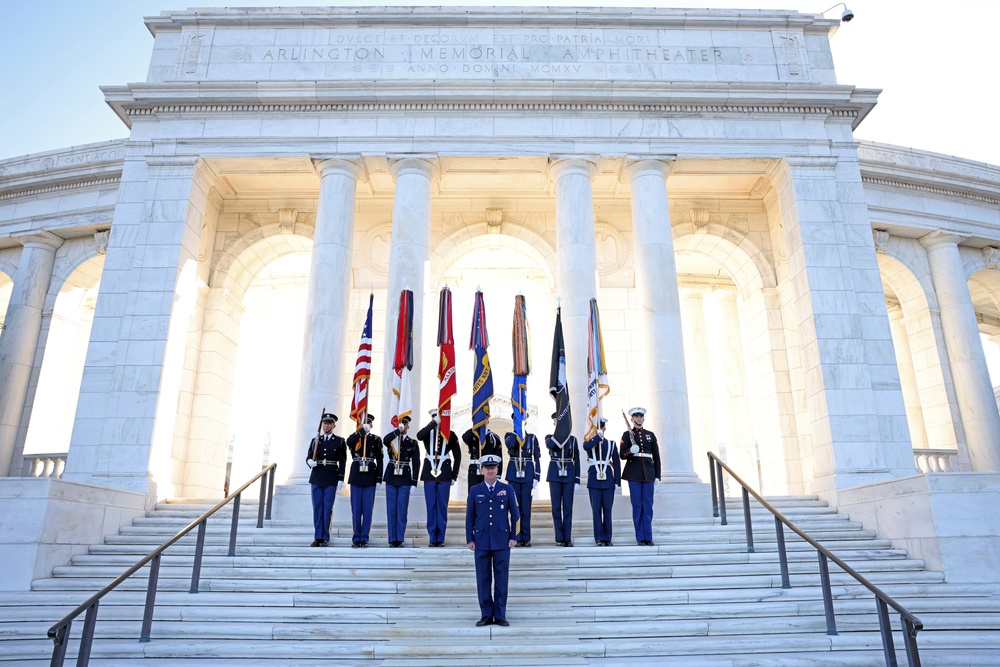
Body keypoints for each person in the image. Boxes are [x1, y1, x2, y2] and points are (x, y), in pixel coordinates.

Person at [465, 454, 520, 627]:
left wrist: (514, 536)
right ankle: (486, 614)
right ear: (482, 470)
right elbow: (469, 518)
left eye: (493, 468)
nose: (490, 471)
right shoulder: (475, 490)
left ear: (497, 470)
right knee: (483, 578)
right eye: (487, 468)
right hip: (481, 540)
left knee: (501, 578)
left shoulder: (507, 489)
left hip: (502, 540)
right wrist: (469, 538)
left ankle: (500, 614)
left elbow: (516, 515)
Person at [417, 409, 462, 547]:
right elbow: (419, 435)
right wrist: (433, 424)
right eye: (435, 417)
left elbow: (458, 456)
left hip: (444, 473)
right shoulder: (428, 433)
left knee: (442, 507)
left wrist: (454, 475)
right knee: (431, 506)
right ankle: (432, 537)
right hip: (429, 473)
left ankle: (440, 537)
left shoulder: (451, 434)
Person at [620, 407, 662, 546]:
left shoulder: (650, 435)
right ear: (631, 419)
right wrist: (630, 451)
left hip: (648, 474)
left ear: (643, 418)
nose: (638, 418)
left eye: (641, 416)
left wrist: (657, 475)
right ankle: (640, 537)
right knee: (637, 506)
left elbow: (656, 456)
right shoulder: (627, 435)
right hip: (634, 474)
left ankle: (648, 537)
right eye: (636, 416)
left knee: (648, 506)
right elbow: (622, 455)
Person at [305, 413, 346, 547]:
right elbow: (309, 456)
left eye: (328, 423)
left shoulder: (339, 441)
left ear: (334, 426)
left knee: (327, 508)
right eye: (324, 423)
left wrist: (341, 478)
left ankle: (325, 537)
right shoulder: (316, 440)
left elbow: (342, 461)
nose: (326, 425)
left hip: (330, 477)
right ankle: (318, 536)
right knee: (317, 507)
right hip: (317, 476)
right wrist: (309, 461)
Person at [346, 413, 384, 548]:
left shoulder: (376, 439)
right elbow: (348, 442)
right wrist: (362, 431)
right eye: (364, 423)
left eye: (369, 423)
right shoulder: (355, 438)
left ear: (372, 425)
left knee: (367, 509)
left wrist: (379, 478)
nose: (367, 424)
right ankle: (356, 537)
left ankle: (365, 537)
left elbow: (380, 459)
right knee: (356, 509)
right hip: (357, 474)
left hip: (370, 475)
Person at [382, 415, 420, 547]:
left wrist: (414, 481)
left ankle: (400, 538)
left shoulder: (412, 442)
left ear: (408, 426)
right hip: (392, 476)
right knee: (391, 508)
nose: (403, 426)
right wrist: (397, 431)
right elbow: (385, 440)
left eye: (405, 424)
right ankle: (392, 538)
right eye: (400, 424)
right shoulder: (392, 440)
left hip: (404, 477)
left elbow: (416, 462)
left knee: (402, 509)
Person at [583, 417, 621, 546]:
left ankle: (608, 537)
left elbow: (616, 462)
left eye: (601, 427)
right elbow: (586, 447)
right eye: (596, 427)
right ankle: (599, 537)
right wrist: (597, 437)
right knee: (596, 510)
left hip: (608, 480)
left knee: (608, 510)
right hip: (594, 480)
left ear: (604, 428)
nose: (600, 429)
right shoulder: (590, 441)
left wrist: (617, 481)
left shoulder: (611, 443)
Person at [504, 414, 541, 547]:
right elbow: (511, 445)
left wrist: (537, 476)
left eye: (522, 420)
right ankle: (516, 536)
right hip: (514, 475)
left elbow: (537, 458)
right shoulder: (509, 435)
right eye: (516, 420)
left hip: (528, 475)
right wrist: (517, 431)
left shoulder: (532, 438)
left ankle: (525, 537)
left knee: (526, 508)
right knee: (515, 507)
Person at [545, 412, 580, 547]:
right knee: (556, 507)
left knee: (567, 507)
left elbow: (576, 459)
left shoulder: (573, 440)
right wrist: (560, 433)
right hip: (555, 473)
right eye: (557, 422)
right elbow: (550, 445)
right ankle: (559, 537)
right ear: (554, 423)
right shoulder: (550, 437)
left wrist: (577, 478)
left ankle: (567, 537)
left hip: (569, 474)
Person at [462, 417, 504, 488]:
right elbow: (465, 438)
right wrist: (475, 427)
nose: (482, 422)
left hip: (488, 468)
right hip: (475, 468)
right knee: (473, 493)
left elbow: (499, 456)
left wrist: (498, 474)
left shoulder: (494, 437)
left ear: (488, 421)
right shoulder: (472, 435)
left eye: (485, 419)